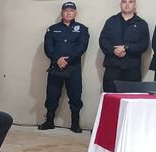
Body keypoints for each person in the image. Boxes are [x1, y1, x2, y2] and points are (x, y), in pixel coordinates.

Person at [39, 2, 89, 133]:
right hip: (56, 67)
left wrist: (67, 60)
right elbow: (48, 47)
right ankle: (49, 121)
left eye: (71, 10)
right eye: (66, 10)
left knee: (75, 96)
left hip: (73, 68)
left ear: (75, 13)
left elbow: (82, 47)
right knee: (52, 95)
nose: (68, 13)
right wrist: (57, 60)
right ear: (62, 12)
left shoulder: (82, 29)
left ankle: (75, 124)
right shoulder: (52, 29)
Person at [99, 0, 150, 93]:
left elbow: (144, 45)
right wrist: (113, 51)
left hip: (132, 70)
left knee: (131, 101)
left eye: (130, 2)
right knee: (110, 99)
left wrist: (126, 48)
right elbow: (103, 41)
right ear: (120, 4)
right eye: (124, 2)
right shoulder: (111, 21)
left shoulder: (142, 24)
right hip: (112, 68)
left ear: (135, 5)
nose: (127, 4)